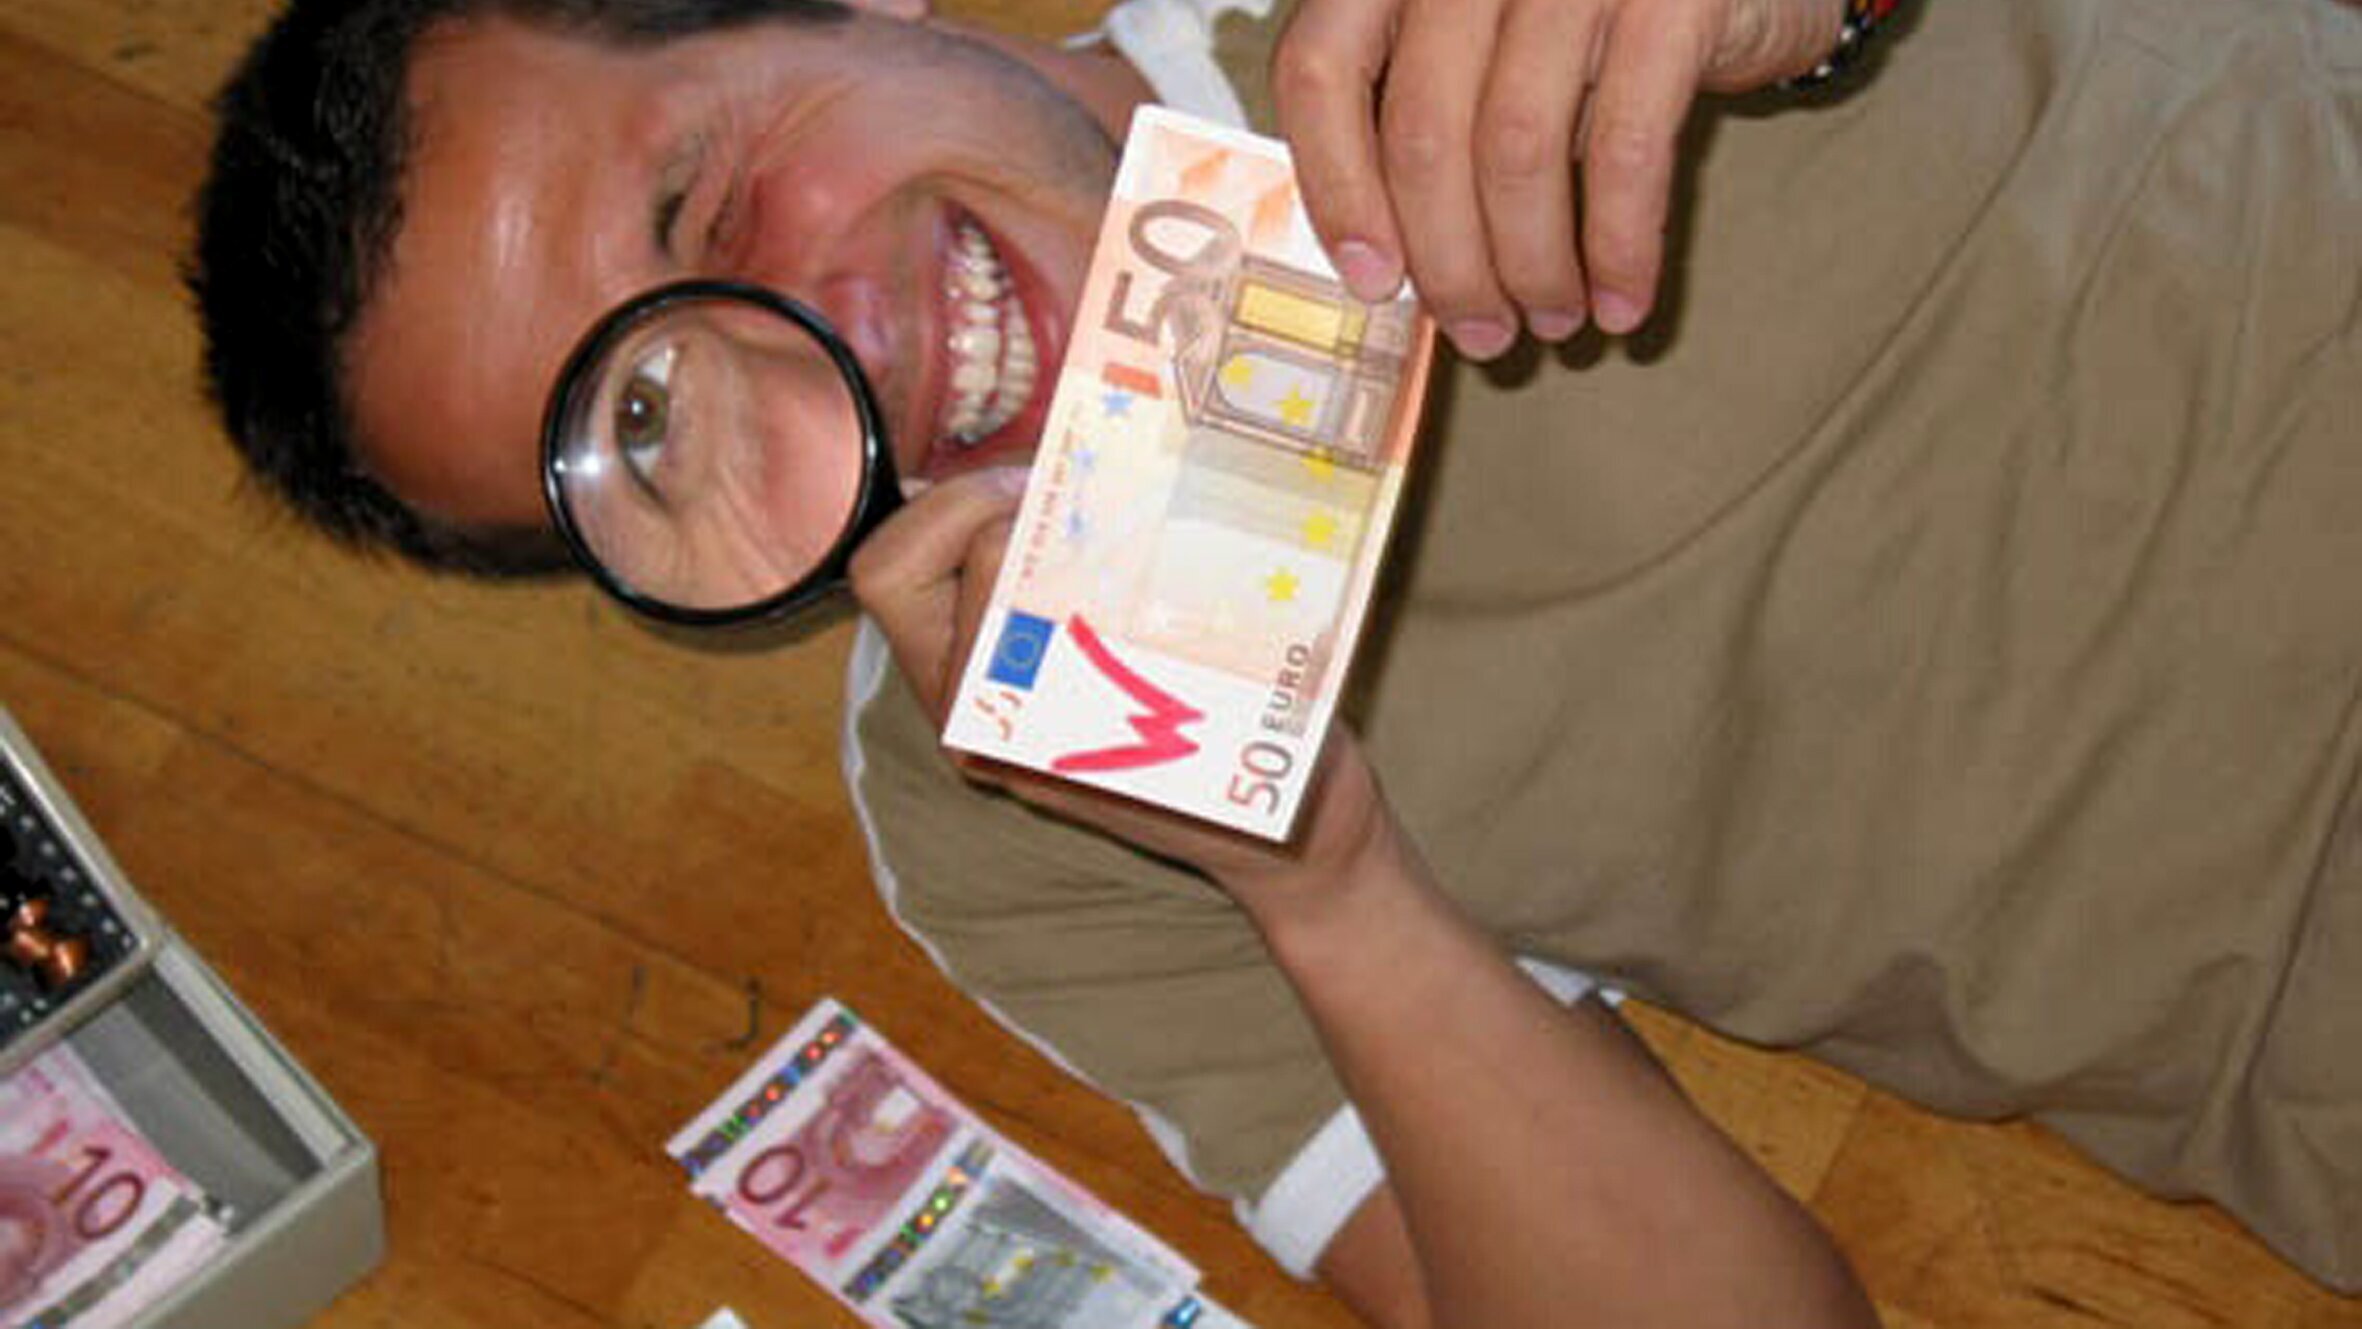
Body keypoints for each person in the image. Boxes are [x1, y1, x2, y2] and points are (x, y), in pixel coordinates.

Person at [186, 0, 2362, 1320]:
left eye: (714, 191)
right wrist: (1323, 885)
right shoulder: (1007, 817)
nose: (827, 349)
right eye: (648, 430)